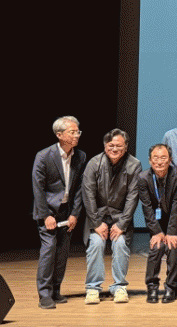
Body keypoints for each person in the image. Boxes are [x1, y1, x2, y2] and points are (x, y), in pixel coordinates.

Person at [82, 129, 142, 304]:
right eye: (111, 145)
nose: (114, 149)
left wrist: (122, 224)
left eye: (119, 146)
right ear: (105, 146)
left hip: (120, 218)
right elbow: (88, 194)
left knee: (121, 244)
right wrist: (96, 222)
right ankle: (93, 288)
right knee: (96, 244)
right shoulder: (94, 163)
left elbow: (133, 196)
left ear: (126, 146)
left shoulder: (134, 165)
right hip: (97, 218)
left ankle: (119, 286)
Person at [32, 116, 86, 309]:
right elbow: (38, 188)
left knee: (62, 253)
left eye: (78, 132)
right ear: (59, 135)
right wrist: (46, 215)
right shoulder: (44, 156)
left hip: (67, 211)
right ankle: (44, 294)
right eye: (72, 132)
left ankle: (56, 289)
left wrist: (75, 214)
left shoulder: (80, 156)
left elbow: (79, 188)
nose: (77, 135)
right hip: (47, 211)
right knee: (49, 251)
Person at [137, 144, 177, 304]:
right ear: (150, 160)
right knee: (156, 248)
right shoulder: (143, 178)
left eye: (163, 158)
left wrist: (171, 232)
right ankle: (152, 287)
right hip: (156, 224)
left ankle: (171, 287)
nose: (159, 161)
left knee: (173, 248)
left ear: (170, 160)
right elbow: (147, 207)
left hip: (174, 224)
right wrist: (156, 231)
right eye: (155, 158)